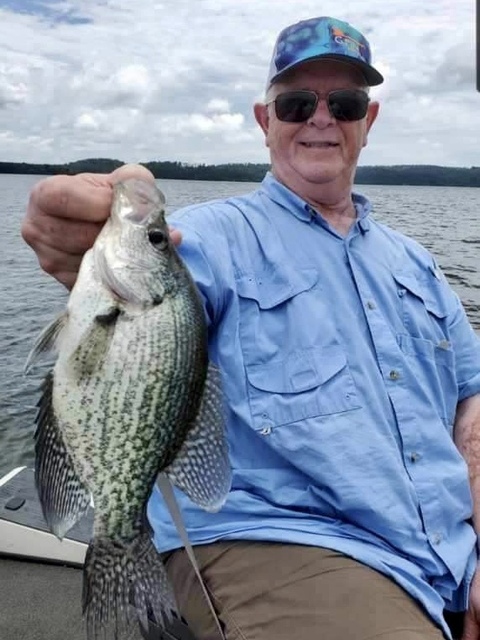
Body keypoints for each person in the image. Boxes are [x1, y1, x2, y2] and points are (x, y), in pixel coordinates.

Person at [21, 15, 480, 640]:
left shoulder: (418, 265)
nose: (321, 118)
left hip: (451, 552)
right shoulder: (207, 239)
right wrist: (91, 212)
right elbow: (129, 269)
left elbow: (468, 403)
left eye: (344, 103)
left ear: (367, 123)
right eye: (296, 102)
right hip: (286, 544)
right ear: (266, 122)